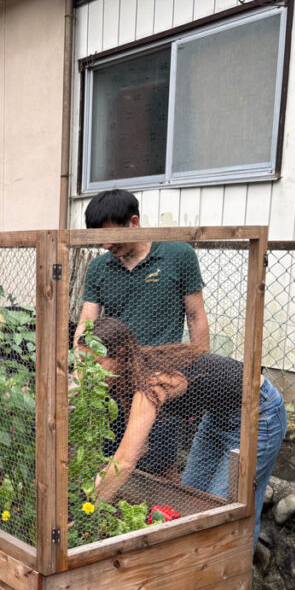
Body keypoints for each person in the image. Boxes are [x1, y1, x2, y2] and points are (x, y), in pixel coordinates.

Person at [81, 317, 286, 548]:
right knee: (188, 500)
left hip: (259, 413)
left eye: (96, 363)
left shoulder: (152, 381)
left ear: (119, 355)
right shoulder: (129, 376)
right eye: (84, 363)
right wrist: (99, 484)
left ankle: (236, 568)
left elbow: (126, 460)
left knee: (227, 510)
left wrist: (88, 510)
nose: (89, 372)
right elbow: (139, 448)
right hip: (217, 419)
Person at [74, 190, 211, 480]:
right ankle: (111, 505)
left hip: (159, 378)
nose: (106, 245)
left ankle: (166, 508)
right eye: (100, 239)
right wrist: (80, 369)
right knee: (112, 458)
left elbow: (196, 316)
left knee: (160, 465)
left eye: (111, 236)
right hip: (113, 380)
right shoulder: (99, 268)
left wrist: (200, 371)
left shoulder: (178, 255)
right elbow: (86, 322)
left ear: (134, 223)